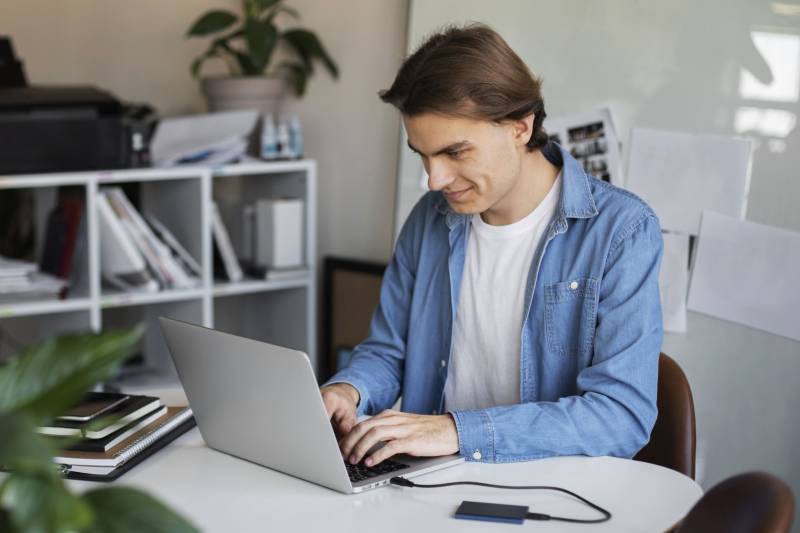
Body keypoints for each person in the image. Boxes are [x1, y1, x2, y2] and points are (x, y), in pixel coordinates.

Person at [321, 24, 663, 468]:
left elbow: (621, 417)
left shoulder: (622, 232)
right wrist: (349, 390)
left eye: (455, 152)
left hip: (550, 493)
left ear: (521, 126)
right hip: (430, 481)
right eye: (422, 155)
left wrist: (456, 430)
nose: (435, 179)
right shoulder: (429, 218)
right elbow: (388, 353)